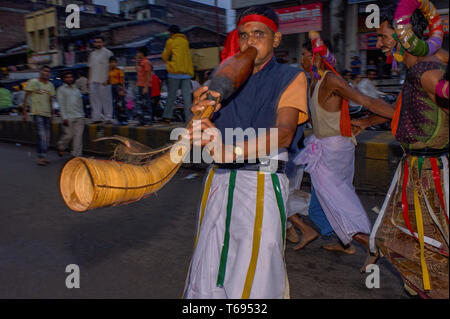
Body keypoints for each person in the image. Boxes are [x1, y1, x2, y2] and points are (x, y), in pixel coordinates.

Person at [184, 5, 309, 299]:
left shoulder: (291, 77)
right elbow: (198, 129)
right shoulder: (222, 78)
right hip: (218, 181)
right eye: (244, 35)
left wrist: (231, 151)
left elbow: (285, 133)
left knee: (255, 272)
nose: (250, 41)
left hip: (261, 184)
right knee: (209, 264)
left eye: (259, 34)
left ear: (276, 39)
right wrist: (199, 115)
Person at [352, 0, 449, 298]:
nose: (379, 43)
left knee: (430, 244)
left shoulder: (425, 71)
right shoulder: (416, 70)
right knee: (394, 237)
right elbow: (404, 110)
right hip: (414, 169)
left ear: (404, 36)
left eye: (383, 36)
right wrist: (367, 121)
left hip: (429, 175)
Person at [296, 32, 393, 271]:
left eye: (304, 54)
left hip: (333, 150)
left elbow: (367, 101)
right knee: (327, 198)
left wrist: (386, 116)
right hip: (327, 146)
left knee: (337, 200)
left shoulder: (331, 80)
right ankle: (343, 241)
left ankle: (370, 244)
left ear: (316, 57)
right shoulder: (314, 81)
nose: (301, 59)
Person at [22, 65, 56, 166]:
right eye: (45, 71)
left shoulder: (50, 85)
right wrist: (24, 113)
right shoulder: (33, 82)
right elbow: (26, 98)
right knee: (42, 136)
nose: (47, 73)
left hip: (47, 114)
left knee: (47, 136)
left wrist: (52, 114)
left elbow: (50, 100)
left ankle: (43, 156)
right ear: (40, 71)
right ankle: (40, 157)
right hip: (37, 113)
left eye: (48, 72)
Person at [161, 25, 194, 123]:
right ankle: (189, 118)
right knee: (187, 97)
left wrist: (167, 60)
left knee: (172, 95)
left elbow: (165, 56)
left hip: (174, 72)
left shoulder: (170, 41)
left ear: (171, 33)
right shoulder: (185, 41)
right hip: (186, 73)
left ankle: (167, 116)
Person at [56, 71, 85, 158]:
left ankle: (76, 155)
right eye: (67, 77)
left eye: (71, 77)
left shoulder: (76, 89)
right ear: (64, 79)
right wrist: (64, 117)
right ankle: (61, 146)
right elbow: (61, 104)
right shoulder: (61, 90)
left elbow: (80, 102)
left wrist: (82, 115)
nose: (69, 79)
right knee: (69, 135)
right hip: (68, 117)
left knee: (78, 137)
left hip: (79, 116)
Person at [88, 35, 113, 124]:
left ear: (103, 43)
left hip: (104, 80)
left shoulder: (108, 53)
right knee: (94, 100)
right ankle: (96, 117)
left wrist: (109, 79)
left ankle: (108, 117)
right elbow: (90, 68)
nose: (98, 44)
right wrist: (89, 80)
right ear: (94, 43)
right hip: (93, 79)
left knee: (106, 99)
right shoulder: (92, 54)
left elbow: (111, 67)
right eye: (96, 42)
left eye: (99, 42)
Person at [135, 46, 153, 126]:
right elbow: (137, 70)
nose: (137, 54)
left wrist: (146, 87)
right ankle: (142, 120)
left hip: (145, 86)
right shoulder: (141, 62)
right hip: (140, 85)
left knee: (146, 103)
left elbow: (148, 74)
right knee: (141, 103)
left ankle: (148, 121)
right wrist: (136, 61)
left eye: (138, 52)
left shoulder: (146, 62)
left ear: (141, 53)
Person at [109, 56, 127, 125]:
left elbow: (122, 81)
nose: (113, 64)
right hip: (113, 87)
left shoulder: (119, 71)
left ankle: (124, 119)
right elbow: (109, 81)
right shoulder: (110, 72)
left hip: (118, 87)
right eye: (111, 62)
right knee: (115, 104)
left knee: (121, 104)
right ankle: (118, 119)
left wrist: (122, 90)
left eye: (114, 62)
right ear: (109, 64)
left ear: (116, 63)